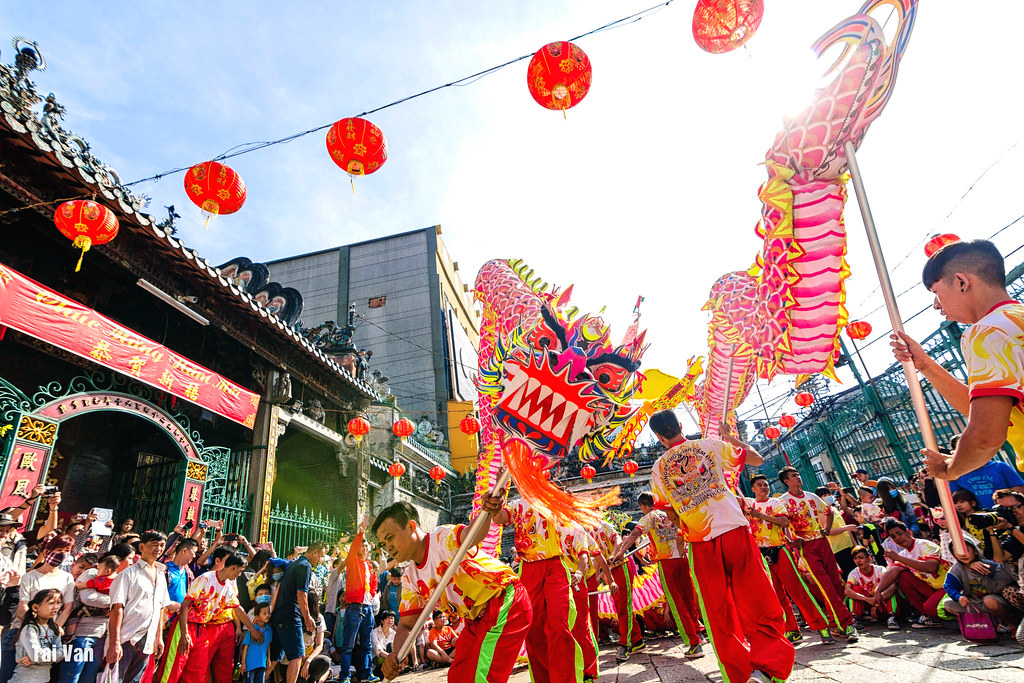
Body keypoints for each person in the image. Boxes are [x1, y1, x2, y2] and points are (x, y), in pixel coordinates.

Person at [649, 410, 793, 683]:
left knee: (718, 612)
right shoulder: (709, 445)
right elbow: (756, 459)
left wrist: (690, 522)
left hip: (700, 542)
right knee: (758, 599)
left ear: (658, 437)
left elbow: (668, 512)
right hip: (734, 531)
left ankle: (739, 674)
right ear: (680, 425)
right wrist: (731, 439)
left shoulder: (658, 470)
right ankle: (766, 668)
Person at [891, 238, 1024, 479]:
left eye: (936, 292)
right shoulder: (1014, 319)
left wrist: (950, 470)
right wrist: (925, 364)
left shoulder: (986, 332)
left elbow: (986, 435)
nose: (936, 305)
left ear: (961, 282)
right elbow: (987, 411)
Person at [374, 499, 531, 683]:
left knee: (481, 677)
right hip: (476, 620)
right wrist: (396, 655)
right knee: (458, 677)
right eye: (384, 544)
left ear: (410, 526)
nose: (388, 548)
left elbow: (473, 534)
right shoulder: (410, 579)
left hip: (505, 600)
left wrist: (487, 512)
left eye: (390, 537)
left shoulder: (442, 538)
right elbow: (406, 626)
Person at [487, 496, 580, 682]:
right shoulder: (517, 504)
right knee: (534, 629)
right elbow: (499, 518)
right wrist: (494, 503)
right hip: (529, 568)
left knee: (558, 626)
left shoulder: (552, 498)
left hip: (554, 565)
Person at [742, 474, 830, 643]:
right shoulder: (749, 504)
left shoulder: (775, 503)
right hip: (762, 555)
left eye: (765, 484)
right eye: (759, 485)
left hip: (780, 551)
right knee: (777, 595)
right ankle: (792, 630)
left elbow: (783, 522)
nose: (763, 487)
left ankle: (822, 627)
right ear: (753, 489)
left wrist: (759, 515)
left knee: (797, 590)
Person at [613, 493, 703, 657]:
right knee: (689, 599)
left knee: (677, 603)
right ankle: (699, 633)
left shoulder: (650, 517)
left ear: (644, 506)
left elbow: (634, 534)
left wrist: (620, 553)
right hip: (683, 559)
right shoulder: (671, 512)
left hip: (667, 562)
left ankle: (694, 643)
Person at [777, 467, 859, 641]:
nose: (798, 477)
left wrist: (826, 529)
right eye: (794, 476)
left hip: (823, 542)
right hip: (806, 546)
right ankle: (848, 624)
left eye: (798, 474)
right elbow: (780, 524)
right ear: (786, 481)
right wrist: (790, 540)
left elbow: (828, 512)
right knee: (825, 584)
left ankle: (835, 623)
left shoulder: (811, 496)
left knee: (836, 582)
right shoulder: (783, 501)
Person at [167, 551, 263, 683]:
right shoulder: (206, 578)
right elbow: (184, 606)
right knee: (174, 667)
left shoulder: (228, 586)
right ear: (233, 567)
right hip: (186, 625)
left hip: (202, 628)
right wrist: (184, 633)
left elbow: (238, 609)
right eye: (239, 571)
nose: (239, 575)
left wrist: (252, 629)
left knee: (197, 671)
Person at [0, 539, 74, 683]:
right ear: (47, 551)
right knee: (7, 675)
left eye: (67, 551)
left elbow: (67, 607)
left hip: (48, 636)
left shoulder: (67, 578)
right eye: (59, 550)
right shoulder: (30, 577)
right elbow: (23, 608)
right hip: (21, 631)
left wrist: (55, 627)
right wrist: (37, 626)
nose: (63, 555)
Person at [104, 531, 170, 683]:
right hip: (126, 637)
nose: (158, 549)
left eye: (161, 545)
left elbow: (160, 608)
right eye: (154, 545)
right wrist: (115, 643)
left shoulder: (161, 575)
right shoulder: (128, 574)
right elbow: (116, 609)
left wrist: (158, 638)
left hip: (147, 639)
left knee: (135, 680)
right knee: (114, 679)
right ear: (141, 547)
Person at [875, 520, 950, 628]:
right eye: (893, 536)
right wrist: (878, 591)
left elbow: (932, 567)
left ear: (908, 532)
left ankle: (935, 613)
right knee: (903, 576)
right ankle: (926, 616)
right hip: (931, 588)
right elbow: (892, 572)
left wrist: (899, 558)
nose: (897, 538)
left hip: (947, 587)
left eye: (899, 533)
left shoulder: (924, 544)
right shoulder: (904, 554)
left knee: (931, 608)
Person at [270, 541, 325, 683]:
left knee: (275, 657)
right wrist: (307, 617)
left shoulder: (294, 563)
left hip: (278, 615)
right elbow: (302, 594)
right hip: (290, 616)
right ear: (315, 552)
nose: (320, 561)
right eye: (321, 556)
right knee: (297, 656)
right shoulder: (305, 566)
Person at [590, 517, 643, 661]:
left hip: (621, 567)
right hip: (610, 571)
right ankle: (637, 640)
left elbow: (618, 541)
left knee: (624, 607)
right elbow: (596, 557)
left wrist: (613, 555)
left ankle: (623, 645)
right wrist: (596, 577)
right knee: (620, 607)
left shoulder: (604, 526)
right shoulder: (589, 532)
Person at [940, 534, 1017, 630]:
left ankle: (1011, 624)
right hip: (973, 601)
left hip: (993, 599)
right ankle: (981, 623)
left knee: (990, 601)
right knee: (948, 604)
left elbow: (997, 588)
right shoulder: (956, 570)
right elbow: (949, 586)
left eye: (966, 551)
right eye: (957, 552)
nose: (962, 555)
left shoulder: (990, 565)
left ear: (975, 551)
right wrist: (958, 597)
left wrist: (978, 574)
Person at [336, 524, 376, 683]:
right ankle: (345, 675)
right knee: (348, 645)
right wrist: (360, 533)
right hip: (354, 607)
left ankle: (367, 674)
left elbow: (373, 583)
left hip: (367, 608)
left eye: (367, 546)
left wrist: (371, 595)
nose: (365, 548)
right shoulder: (352, 561)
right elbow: (352, 549)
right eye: (363, 546)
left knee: (367, 645)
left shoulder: (369, 565)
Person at [10, 589, 62, 683]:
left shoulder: (54, 630)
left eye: (58, 603)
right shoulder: (30, 629)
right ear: (35, 607)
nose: (56, 607)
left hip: (44, 680)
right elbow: (36, 655)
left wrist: (37, 659)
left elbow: (61, 654)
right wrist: (40, 657)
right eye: (51, 603)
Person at [844, 546, 899, 629]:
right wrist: (867, 599)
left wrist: (877, 600)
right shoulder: (854, 573)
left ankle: (891, 616)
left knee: (889, 587)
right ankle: (855, 617)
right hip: (868, 604)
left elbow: (893, 587)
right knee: (855, 589)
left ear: (869, 558)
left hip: (882, 604)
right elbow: (847, 590)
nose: (858, 561)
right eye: (855, 558)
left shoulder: (880, 570)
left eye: (861, 558)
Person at [949, 458, 1024, 508]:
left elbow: (1018, 491)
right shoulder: (956, 474)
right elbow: (956, 500)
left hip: (1009, 512)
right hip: (981, 517)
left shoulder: (999, 466)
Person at [241, 602, 273, 683]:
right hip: (250, 663)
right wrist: (243, 663)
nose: (267, 615)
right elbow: (246, 647)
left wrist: (268, 659)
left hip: (262, 663)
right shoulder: (252, 630)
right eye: (264, 613)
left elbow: (268, 645)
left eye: (268, 613)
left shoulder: (269, 629)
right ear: (257, 617)